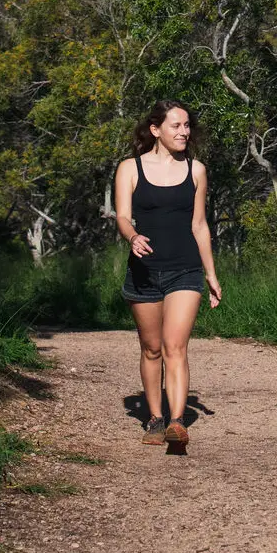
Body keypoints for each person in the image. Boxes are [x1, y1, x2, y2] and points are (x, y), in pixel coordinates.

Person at [113, 100, 223, 452]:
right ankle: (155, 419)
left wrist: (211, 274)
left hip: (185, 269)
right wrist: (132, 237)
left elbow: (200, 224)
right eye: (176, 126)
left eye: (187, 125)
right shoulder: (130, 168)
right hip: (144, 271)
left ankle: (177, 422)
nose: (184, 132)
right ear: (156, 130)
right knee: (152, 348)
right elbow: (122, 217)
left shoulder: (197, 170)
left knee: (176, 346)